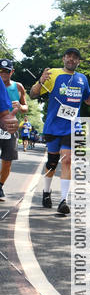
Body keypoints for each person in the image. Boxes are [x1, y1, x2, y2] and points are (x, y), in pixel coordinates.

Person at [30, 48, 90, 215]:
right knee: (52, 162)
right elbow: (33, 94)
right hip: (53, 125)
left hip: (72, 126)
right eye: (69, 56)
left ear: (78, 61)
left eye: (75, 57)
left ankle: (63, 200)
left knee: (68, 160)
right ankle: (46, 192)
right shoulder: (53, 74)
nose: (71, 59)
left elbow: (89, 101)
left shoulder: (82, 79)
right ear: (64, 58)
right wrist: (40, 81)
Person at [0, 60, 27, 201]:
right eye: (1, 70)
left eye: (6, 71)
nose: (4, 73)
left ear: (12, 72)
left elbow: (25, 106)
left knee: (7, 160)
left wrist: (21, 107)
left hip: (10, 125)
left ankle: (0, 185)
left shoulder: (18, 86)